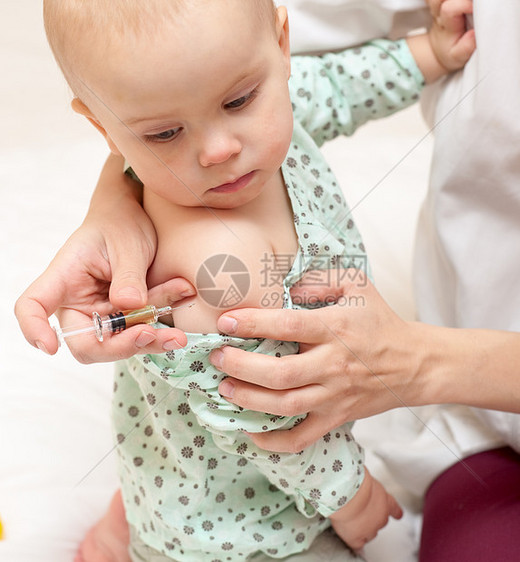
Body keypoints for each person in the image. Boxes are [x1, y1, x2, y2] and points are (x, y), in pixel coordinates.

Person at [35, 0, 474, 561]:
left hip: (176, 459)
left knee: (165, 463)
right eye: (165, 134)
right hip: (242, 522)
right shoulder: (216, 267)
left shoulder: (264, 103)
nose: (219, 149)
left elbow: (336, 87)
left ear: (281, 44)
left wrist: (428, 54)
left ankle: (121, 531)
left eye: (238, 101)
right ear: (103, 127)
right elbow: (268, 414)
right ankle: (142, 542)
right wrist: (351, 497)